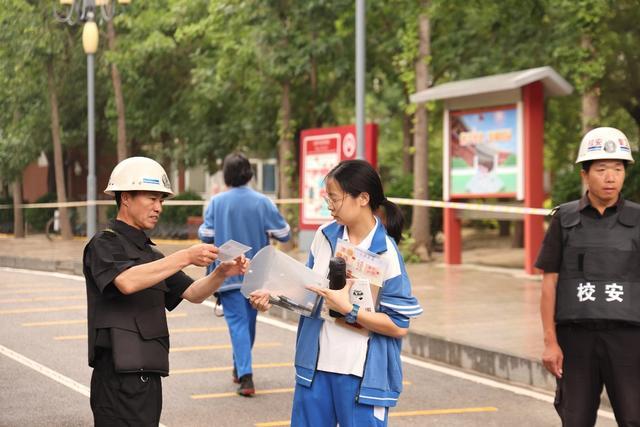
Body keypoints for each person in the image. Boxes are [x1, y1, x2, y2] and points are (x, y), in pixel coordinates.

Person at [250, 159, 422, 427]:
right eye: (327, 197)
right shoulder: (324, 236)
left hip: (361, 377)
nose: (329, 205)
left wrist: (350, 310)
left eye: (335, 198)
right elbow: (306, 291)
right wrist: (272, 296)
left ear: (363, 198)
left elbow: (399, 325)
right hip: (315, 369)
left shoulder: (386, 252)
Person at [83, 156, 247, 426]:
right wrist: (185, 256)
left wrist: (221, 273)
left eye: (161, 200)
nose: (158, 207)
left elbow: (193, 293)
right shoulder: (104, 243)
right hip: (116, 377)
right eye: (151, 198)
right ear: (125, 198)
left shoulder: (152, 254)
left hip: (149, 375)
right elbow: (126, 282)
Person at [537, 127, 640, 426]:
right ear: (585, 174)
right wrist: (550, 342)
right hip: (576, 340)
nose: (611, 177)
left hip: (629, 340)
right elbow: (549, 284)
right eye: (602, 169)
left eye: (618, 169)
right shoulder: (564, 220)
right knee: (575, 419)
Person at [198, 152, 291, 396]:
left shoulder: (217, 202)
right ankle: (240, 369)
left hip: (227, 274)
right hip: (256, 275)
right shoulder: (262, 202)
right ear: (249, 173)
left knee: (238, 325)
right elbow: (284, 234)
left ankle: (245, 376)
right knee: (248, 325)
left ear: (226, 175)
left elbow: (205, 236)